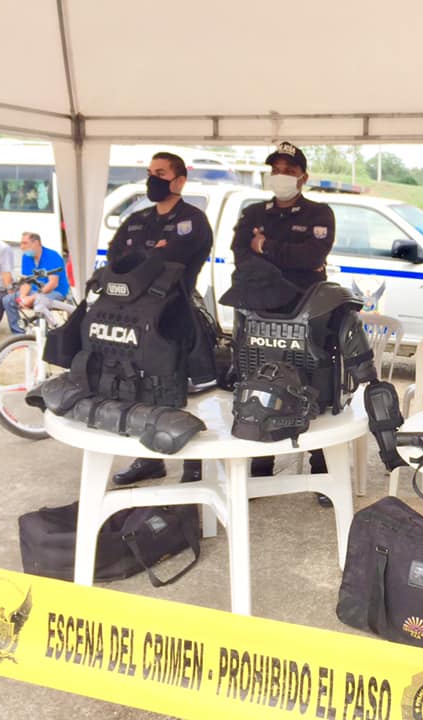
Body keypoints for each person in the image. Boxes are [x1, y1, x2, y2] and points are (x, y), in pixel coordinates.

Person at [232, 140, 335, 506]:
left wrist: (266, 248)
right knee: (260, 382)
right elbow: (240, 256)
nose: (280, 176)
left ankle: (321, 470)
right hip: (261, 312)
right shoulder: (253, 213)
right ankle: (261, 465)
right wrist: (281, 259)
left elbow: (312, 257)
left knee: (312, 385)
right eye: (275, 170)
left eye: (288, 171)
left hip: (305, 313)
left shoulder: (319, 213)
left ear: (303, 177)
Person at [107, 151, 213, 487]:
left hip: (174, 316)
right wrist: (153, 254)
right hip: (134, 318)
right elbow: (115, 258)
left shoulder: (193, 221)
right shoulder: (138, 219)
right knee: (141, 388)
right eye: (150, 172)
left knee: (177, 392)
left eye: (161, 173)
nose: (152, 179)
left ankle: (193, 467)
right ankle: (149, 460)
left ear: (179, 181)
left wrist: (145, 257)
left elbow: (169, 263)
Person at [2, 232, 70, 334]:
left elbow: (53, 284)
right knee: (7, 300)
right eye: (21, 243)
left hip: (54, 292)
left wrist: (32, 298)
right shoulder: (26, 257)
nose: (21, 247)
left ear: (36, 243)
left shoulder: (52, 256)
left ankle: (42, 334)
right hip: (34, 291)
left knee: (39, 301)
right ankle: (18, 334)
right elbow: (27, 281)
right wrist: (23, 297)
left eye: (25, 243)